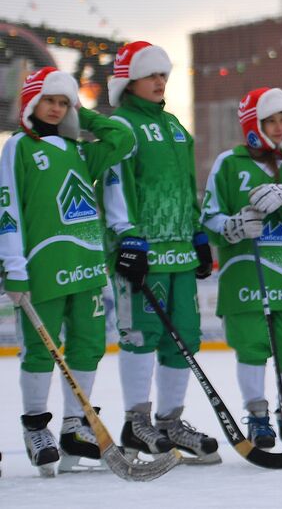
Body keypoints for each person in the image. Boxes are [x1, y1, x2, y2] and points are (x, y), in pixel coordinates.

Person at [1, 67, 133, 475]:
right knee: (41, 348)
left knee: (88, 344)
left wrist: (84, 114)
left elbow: (123, 140)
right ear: (31, 103)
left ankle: (76, 425)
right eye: (50, 101)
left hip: (88, 264)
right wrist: (13, 266)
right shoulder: (19, 147)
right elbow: (8, 209)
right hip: (43, 264)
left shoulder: (79, 149)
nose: (57, 109)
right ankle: (35, 426)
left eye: (64, 103)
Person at [103, 41, 220, 462]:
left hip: (180, 253)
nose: (159, 81)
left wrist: (198, 232)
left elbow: (186, 187)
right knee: (142, 335)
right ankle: (137, 423)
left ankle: (170, 422)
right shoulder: (122, 127)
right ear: (128, 81)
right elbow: (114, 183)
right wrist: (125, 235)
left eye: (163, 75)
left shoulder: (174, 127)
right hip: (143, 250)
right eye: (150, 74)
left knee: (184, 336)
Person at [200, 87, 282, 449]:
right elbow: (207, 217)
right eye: (271, 120)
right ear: (253, 123)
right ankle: (257, 418)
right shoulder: (229, 163)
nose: (280, 126)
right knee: (251, 345)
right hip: (245, 275)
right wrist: (232, 226)